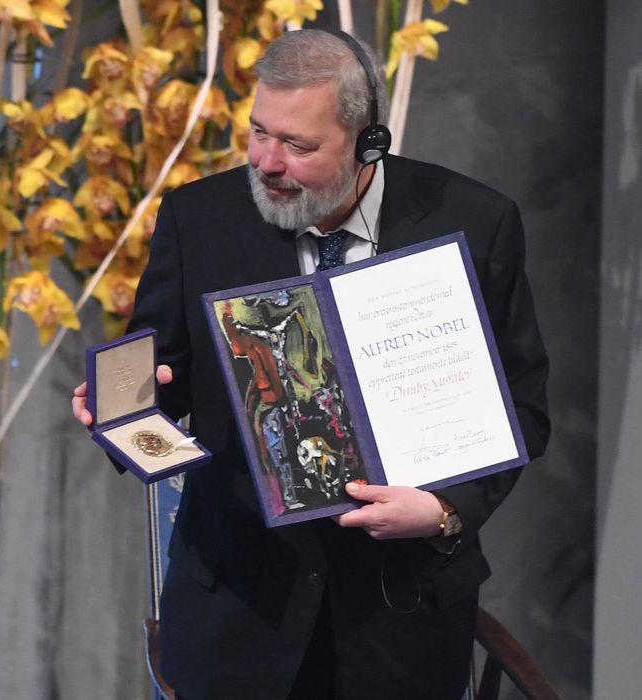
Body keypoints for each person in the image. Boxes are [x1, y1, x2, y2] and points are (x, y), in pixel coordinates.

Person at [71, 29, 550, 699]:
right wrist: (117, 404)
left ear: (366, 143)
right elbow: (158, 370)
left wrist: (443, 509)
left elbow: (521, 404)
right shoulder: (198, 218)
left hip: (400, 618)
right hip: (237, 612)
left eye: (297, 146)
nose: (266, 161)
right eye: (257, 132)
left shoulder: (475, 223)